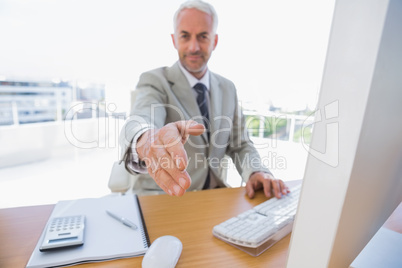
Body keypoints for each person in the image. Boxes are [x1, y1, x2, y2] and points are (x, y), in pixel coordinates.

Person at [119, 0, 289, 198]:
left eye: (202, 36)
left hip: (213, 198)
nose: (194, 47)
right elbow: (141, 118)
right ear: (174, 40)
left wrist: (256, 171)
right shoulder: (155, 81)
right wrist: (146, 139)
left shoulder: (227, 88)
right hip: (164, 197)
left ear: (214, 41)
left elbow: (240, 145)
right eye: (185, 36)